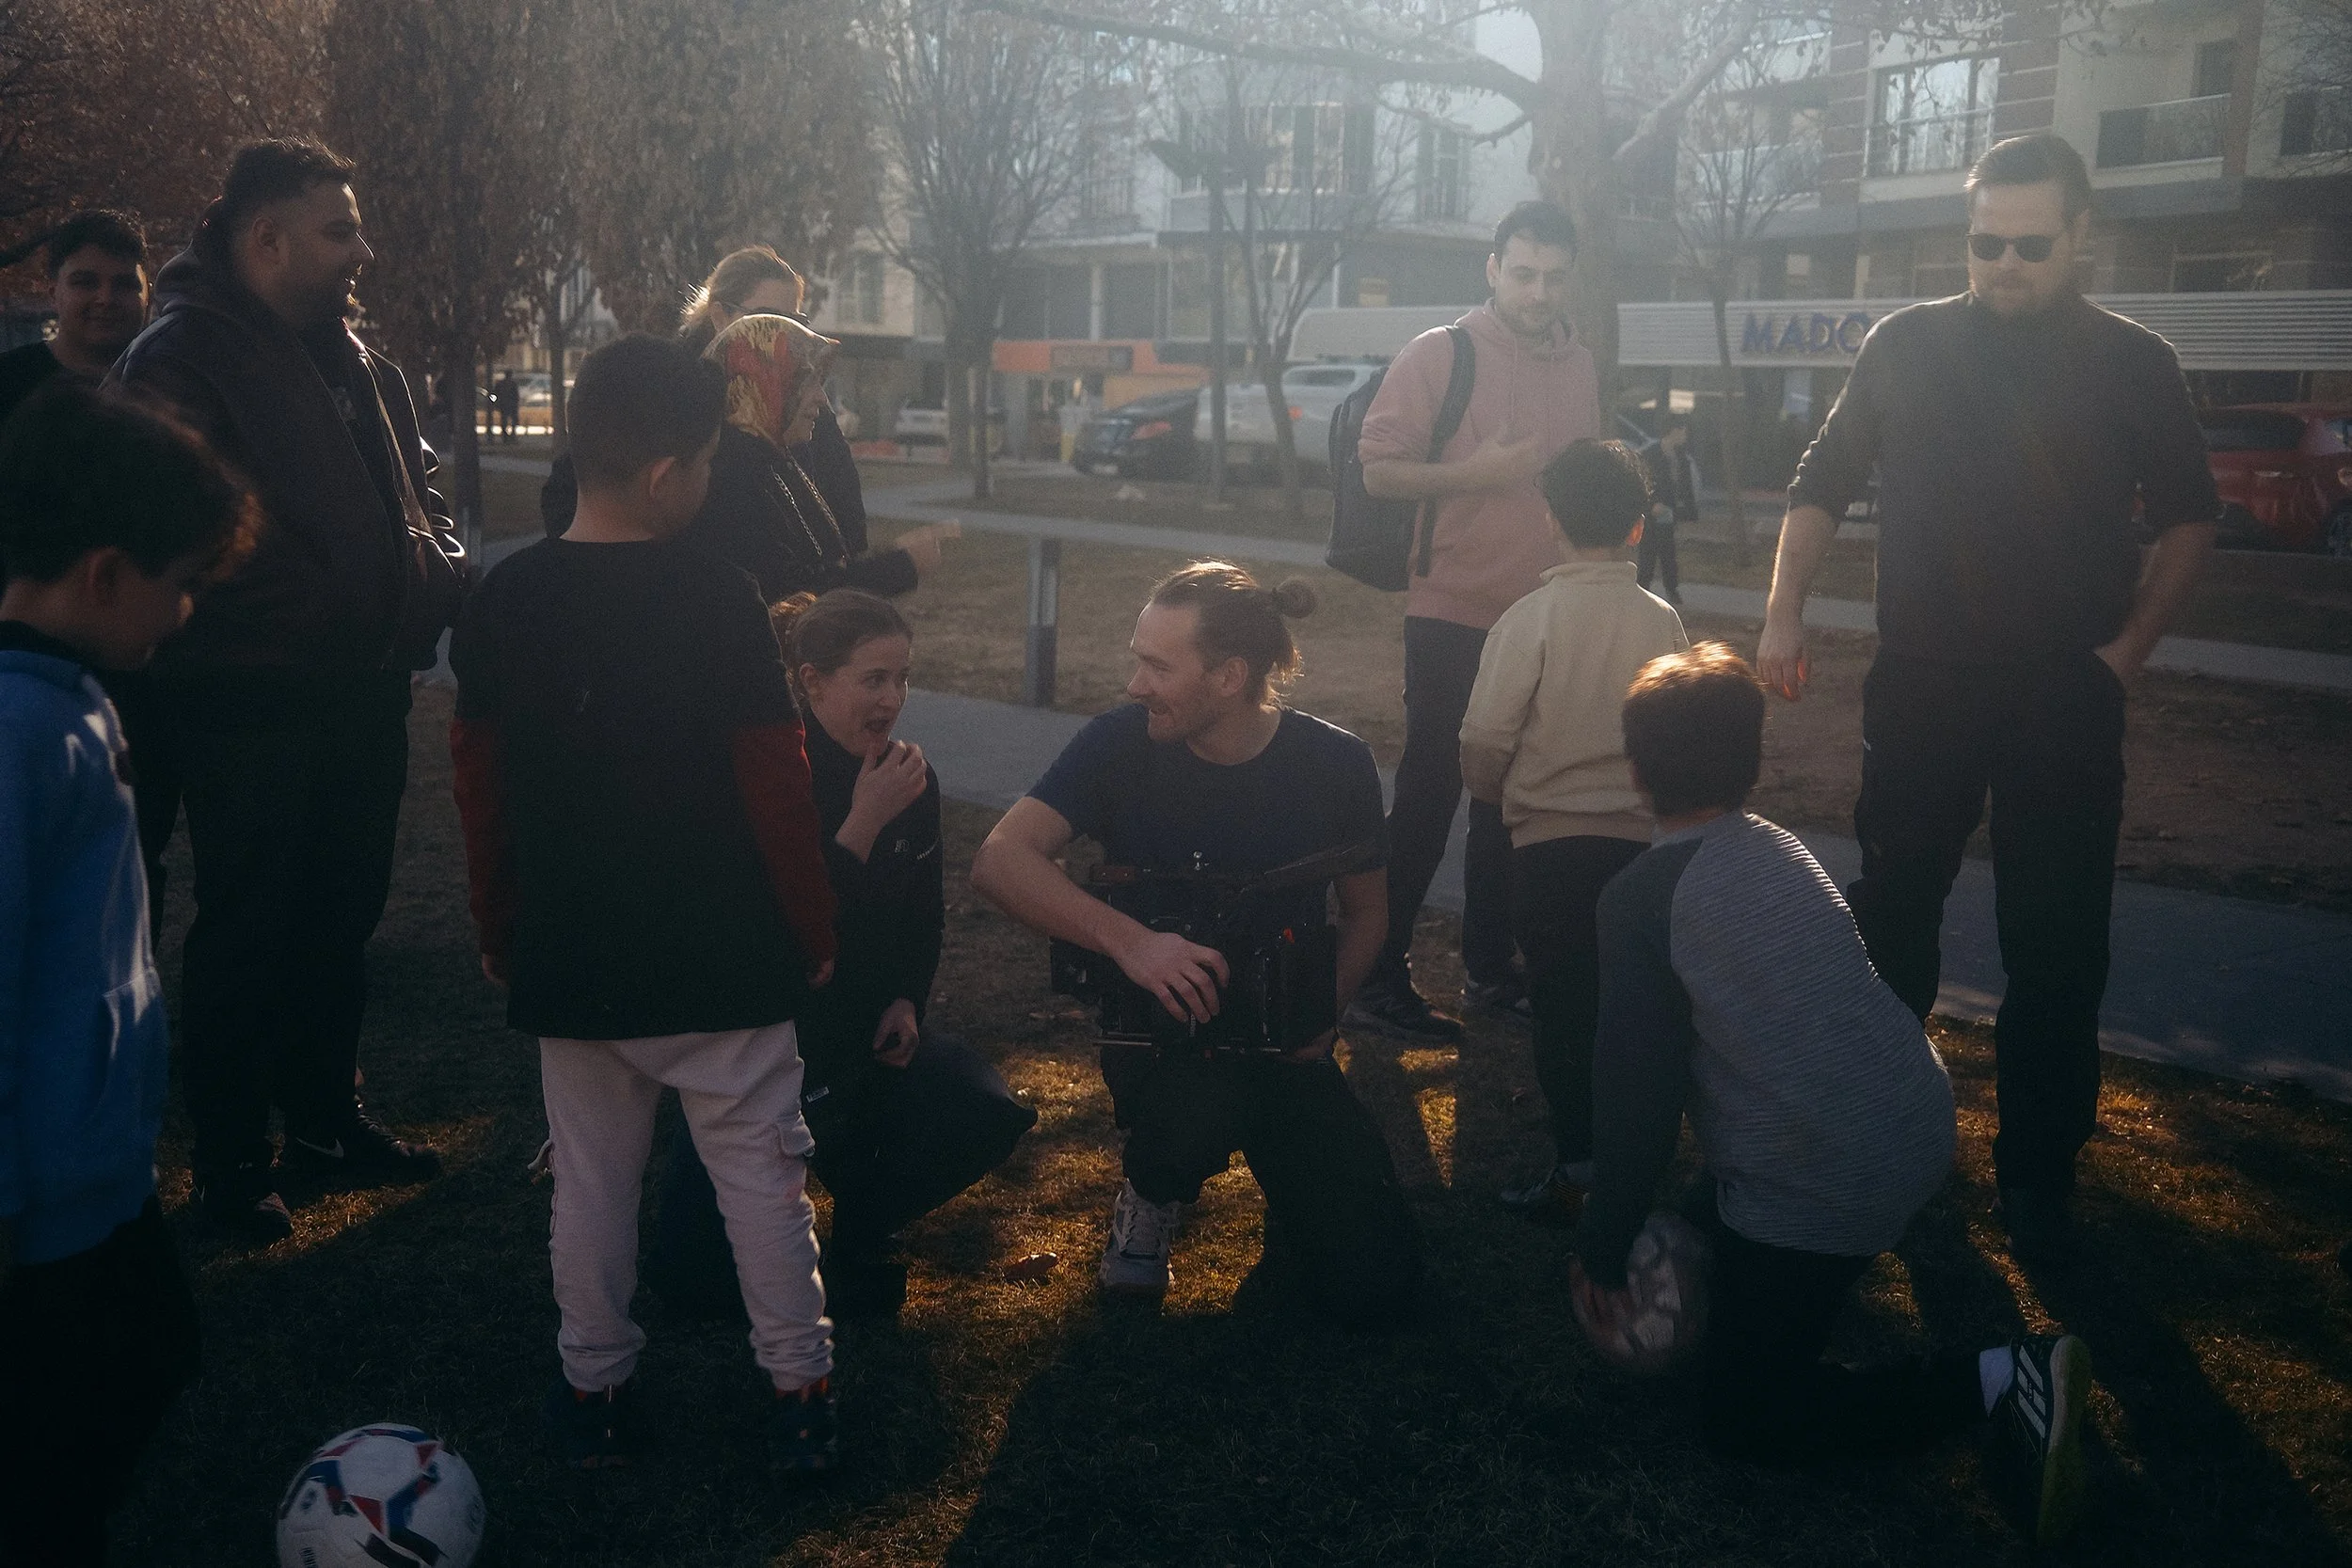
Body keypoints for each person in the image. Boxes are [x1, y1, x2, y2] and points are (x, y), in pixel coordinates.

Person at [1756, 132, 2218, 1264]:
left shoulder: (2134, 360)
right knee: (1890, 915)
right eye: (1983, 243)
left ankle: (2037, 1178)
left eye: (2029, 244)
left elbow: (2190, 517)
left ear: (2078, 236)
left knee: (2055, 941)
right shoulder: (1904, 343)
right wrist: (1780, 611)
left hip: (2065, 691)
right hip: (1922, 680)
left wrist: (2120, 657)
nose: (2003, 263)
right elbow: (1821, 479)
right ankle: (1875, 1137)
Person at [1567, 644, 2094, 1546]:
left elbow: (1637, 1101)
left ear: (1635, 769)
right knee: (1718, 1238)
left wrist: (1604, 1242)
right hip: (1912, 1120)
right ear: (1751, 760)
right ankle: (1783, 1284)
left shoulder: (1639, 898)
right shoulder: (1780, 847)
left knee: (1745, 1416)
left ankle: (2005, 1377)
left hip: (1827, 1169)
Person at [449, 334, 843, 1473]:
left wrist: (501, 924)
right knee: (763, 1181)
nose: (712, 478)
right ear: (669, 473)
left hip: (575, 951)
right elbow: (778, 783)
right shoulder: (721, 597)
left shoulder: (505, 596)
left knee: (590, 1184)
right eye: (711, 459)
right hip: (722, 953)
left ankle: (593, 1385)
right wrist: (812, 927)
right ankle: (800, 1388)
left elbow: (480, 788)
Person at [109, 138, 467, 1244]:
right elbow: (184, 536)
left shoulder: (353, 359)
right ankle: (230, 1160)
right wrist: (347, 611)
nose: (363, 249)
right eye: (339, 228)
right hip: (248, 700)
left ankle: (323, 1121)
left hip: (360, 690)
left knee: (338, 915)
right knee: (251, 926)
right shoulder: (180, 358)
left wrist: (429, 577)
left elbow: (418, 496)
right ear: (265, 238)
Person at [970, 562, 1422, 1329]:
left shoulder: (1335, 763)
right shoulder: (1118, 744)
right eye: (1138, 660)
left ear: (1229, 676)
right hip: (1166, 1040)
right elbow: (998, 860)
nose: (1135, 684)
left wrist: (1322, 1013)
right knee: (1184, 1127)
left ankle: (1303, 1213)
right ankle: (1151, 1189)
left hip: (1285, 1045)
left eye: (1157, 666)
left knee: (1376, 1285)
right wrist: (1134, 944)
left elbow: (1367, 914)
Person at [0, 382, 256, 1563]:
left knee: (150, 1356)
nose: (189, 608)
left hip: (95, 1168)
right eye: (183, 580)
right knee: (63, 1439)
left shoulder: (76, 701)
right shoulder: (20, 735)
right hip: (37, 1203)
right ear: (105, 574)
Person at [647, 589, 1038, 1323]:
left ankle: (863, 1218)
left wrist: (906, 1001)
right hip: (762, 1038)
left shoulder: (910, 778)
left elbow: (922, 919)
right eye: (873, 678)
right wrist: (862, 820)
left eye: (902, 677)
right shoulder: (769, 775)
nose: (892, 697)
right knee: (694, 1284)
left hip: (861, 1033)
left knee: (982, 1109)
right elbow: (777, 934)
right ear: (813, 680)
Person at [1349, 199, 1603, 1040]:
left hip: (1544, 613)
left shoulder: (1580, 365)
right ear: (1493, 269)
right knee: (1430, 792)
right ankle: (1375, 976)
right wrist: (1477, 473)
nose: (1538, 292)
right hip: (1450, 609)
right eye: (1523, 273)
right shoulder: (1440, 352)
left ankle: (1492, 969)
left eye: (1554, 278)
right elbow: (1379, 471)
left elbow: (1580, 487)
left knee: (1511, 800)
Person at [1459, 440, 1687, 1225]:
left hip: (1547, 848)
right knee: (1637, 1003)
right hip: (1639, 846)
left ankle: (1580, 1162)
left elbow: (1485, 735)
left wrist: (1491, 796)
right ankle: (1646, 1150)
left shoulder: (1529, 619)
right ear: (1637, 527)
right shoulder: (1662, 620)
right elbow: (1679, 728)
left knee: (1563, 1006)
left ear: (1551, 520)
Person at [537, 245, 919, 574]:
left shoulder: (806, 405)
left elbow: (846, 518)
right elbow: (574, 489)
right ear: (720, 315)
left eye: (795, 321)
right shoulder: (667, 388)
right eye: (768, 316)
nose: (782, 332)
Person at [691, 313, 944, 602]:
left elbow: (818, 568)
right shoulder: (733, 481)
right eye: (806, 382)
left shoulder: (772, 463)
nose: (822, 399)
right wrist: (899, 567)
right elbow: (792, 594)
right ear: (763, 386)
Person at [0, 211, 150, 428]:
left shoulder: (178, 387)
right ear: (53, 293)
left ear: (149, 295)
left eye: (124, 284)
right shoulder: (8, 381)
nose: (106, 299)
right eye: (85, 282)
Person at [1639, 414, 1696, 606]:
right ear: (1674, 431)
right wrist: (1652, 504)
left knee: (1668, 553)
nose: (1685, 435)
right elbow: (1642, 482)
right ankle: (1642, 590)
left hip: (1669, 512)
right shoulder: (1650, 455)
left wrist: (1689, 513)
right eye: (1683, 431)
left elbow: (1685, 487)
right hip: (1650, 515)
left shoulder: (1681, 458)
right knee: (1647, 553)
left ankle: (1672, 590)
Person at [493, 369, 520, 443]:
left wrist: (495, 403)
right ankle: (511, 436)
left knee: (504, 420)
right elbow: (516, 395)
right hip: (511, 405)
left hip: (504, 405)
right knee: (512, 420)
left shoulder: (500, 384)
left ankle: (506, 436)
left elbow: (494, 394)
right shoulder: (513, 384)